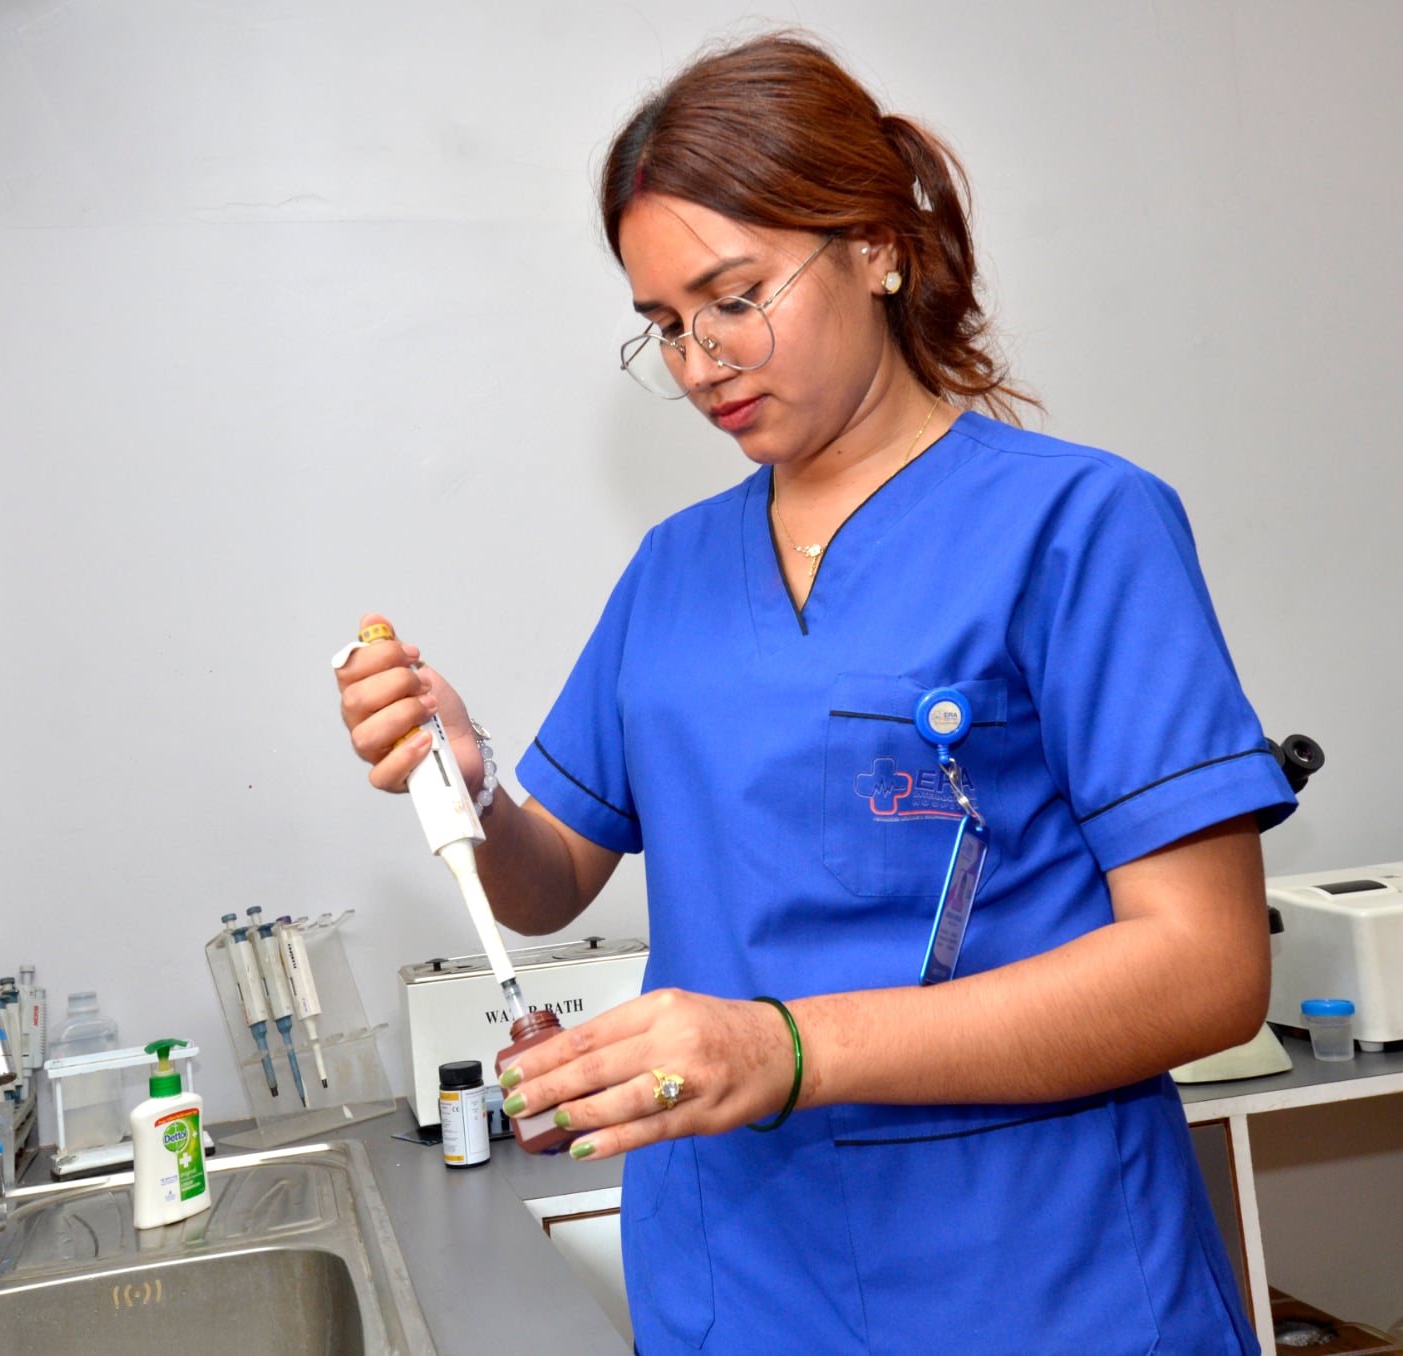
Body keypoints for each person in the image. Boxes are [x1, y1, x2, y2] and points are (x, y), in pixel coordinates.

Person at [335, 32, 1294, 1356]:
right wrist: (469, 782)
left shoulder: (1079, 527)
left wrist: (787, 1050)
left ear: (876, 248)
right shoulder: (673, 573)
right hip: (735, 1285)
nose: (700, 362)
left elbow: (1207, 970)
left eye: (734, 298)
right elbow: (546, 882)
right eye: (663, 326)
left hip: (1032, 1279)